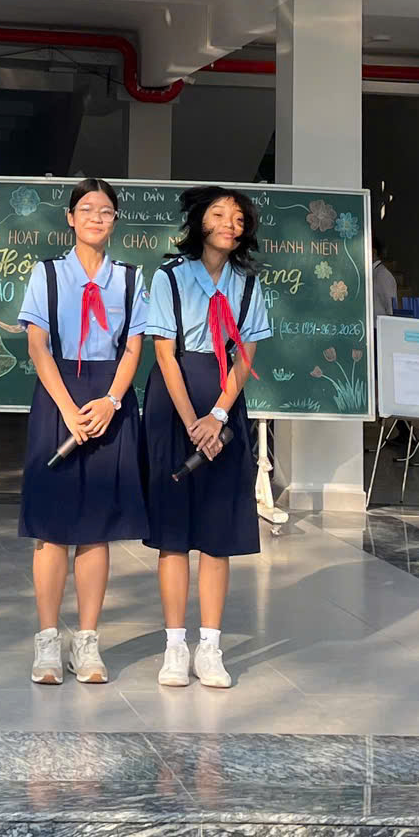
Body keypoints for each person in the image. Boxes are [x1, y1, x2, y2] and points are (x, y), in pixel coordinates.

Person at [135, 185, 273, 691]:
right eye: (219, 214)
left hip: (224, 403)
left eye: (238, 218)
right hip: (174, 404)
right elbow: (163, 353)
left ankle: (210, 647)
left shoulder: (249, 284)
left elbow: (246, 357)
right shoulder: (170, 277)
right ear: (199, 222)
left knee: (218, 532)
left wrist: (216, 415)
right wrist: (192, 419)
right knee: (173, 532)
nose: (230, 224)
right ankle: (175, 645)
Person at [15, 176, 147, 686]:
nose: (96, 217)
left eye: (106, 210)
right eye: (87, 209)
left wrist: (112, 401)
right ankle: (48, 641)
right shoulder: (47, 274)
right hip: (59, 398)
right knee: (51, 527)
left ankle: (87, 642)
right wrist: (69, 409)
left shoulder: (130, 279)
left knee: (97, 527)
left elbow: (133, 347)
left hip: (109, 397)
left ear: (115, 221)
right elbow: (37, 346)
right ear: (70, 218)